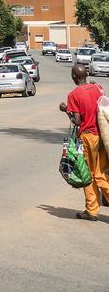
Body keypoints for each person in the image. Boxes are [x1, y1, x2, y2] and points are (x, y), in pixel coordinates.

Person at [59, 63, 109, 221]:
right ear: (86, 74)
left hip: (88, 137)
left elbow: (78, 121)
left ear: (74, 77)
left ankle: (91, 210)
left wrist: (66, 110)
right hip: (103, 135)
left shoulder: (73, 95)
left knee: (88, 174)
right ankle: (92, 210)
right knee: (101, 173)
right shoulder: (97, 88)